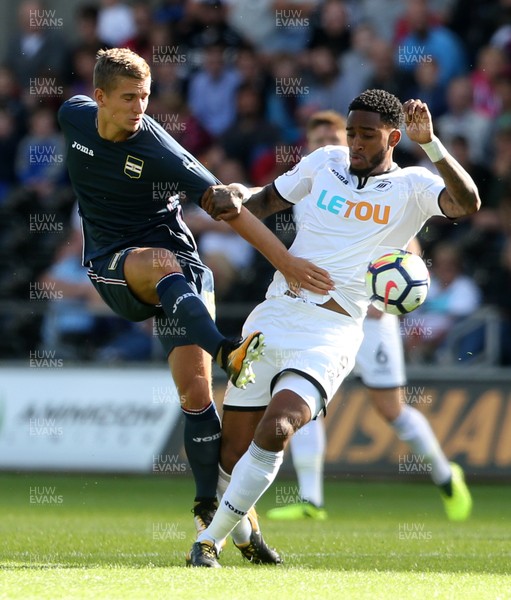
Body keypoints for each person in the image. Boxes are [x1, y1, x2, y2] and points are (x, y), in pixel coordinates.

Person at [188, 88, 480, 567]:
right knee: (232, 450)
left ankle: (207, 544)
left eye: (367, 135)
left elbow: (467, 203)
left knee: (279, 425)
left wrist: (432, 145)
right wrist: (233, 196)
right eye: (351, 133)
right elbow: (261, 204)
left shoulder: (414, 185)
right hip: (275, 314)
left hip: (332, 332)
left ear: (393, 136)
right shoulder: (324, 162)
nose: (355, 143)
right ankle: (245, 538)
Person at [57, 47, 332, 552]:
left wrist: (284, 260)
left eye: (145, 96)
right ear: (98, 97)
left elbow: (225, 206)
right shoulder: (71, 115)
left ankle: (222, 524)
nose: (140, 106)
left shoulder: (157, 148)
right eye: (128, 97)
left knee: (197, 398)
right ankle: (228, 349)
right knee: (160, 263)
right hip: (116, 268)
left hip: (182, 276)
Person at [264, 109, 472, 522]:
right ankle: (311, 499)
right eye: (319, 137)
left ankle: (446, 475)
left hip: (371, 313)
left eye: (337, 137)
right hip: (315, 313)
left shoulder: (390, 186)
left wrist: (387, 299)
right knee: (304, 397)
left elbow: (407, 245)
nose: (333, 144)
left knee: (389, 410)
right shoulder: (314, 180)